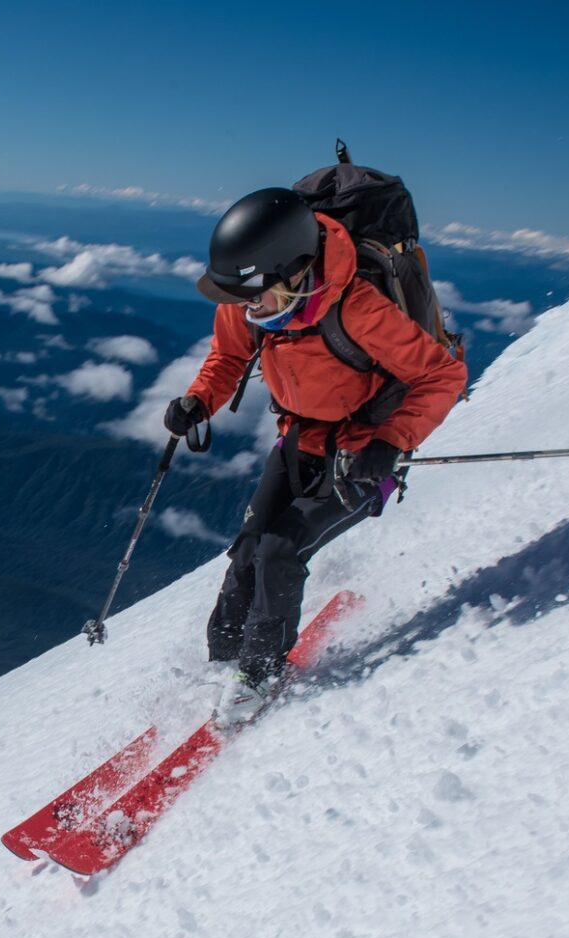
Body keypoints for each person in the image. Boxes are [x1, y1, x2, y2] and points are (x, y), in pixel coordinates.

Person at [167, 186, 466, 724]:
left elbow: (442, 375)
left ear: (294, 274)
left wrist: (390, 442)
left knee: (280, 550)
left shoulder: (361, 309)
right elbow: (229, 355)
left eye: (254, 298)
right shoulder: (251, 296)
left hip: (364, 454)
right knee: (247, 552)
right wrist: (199, 400)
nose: (244, 309)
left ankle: (256, 675)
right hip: (299, 438)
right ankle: (222, 667)